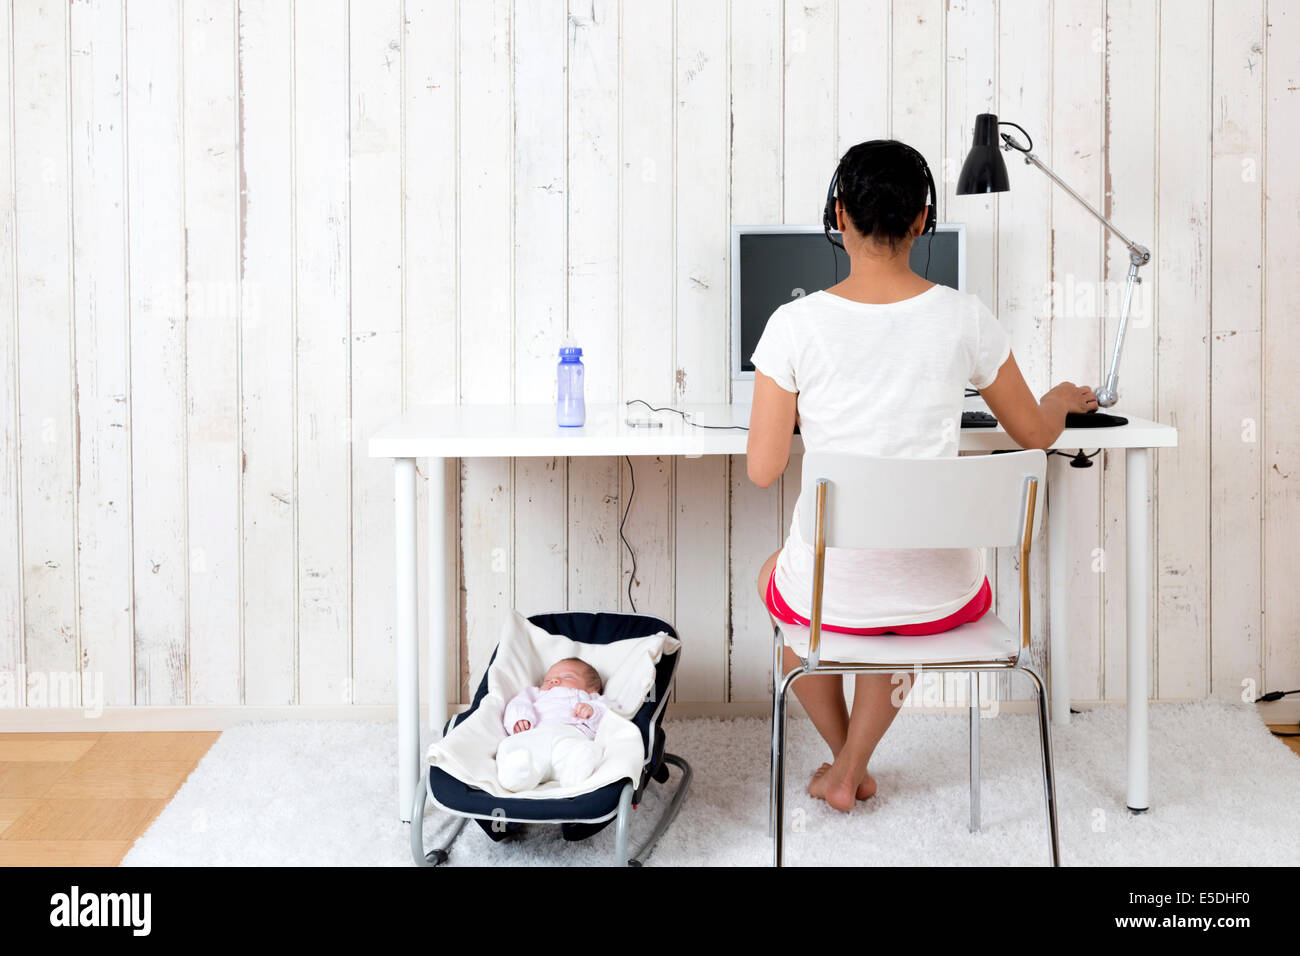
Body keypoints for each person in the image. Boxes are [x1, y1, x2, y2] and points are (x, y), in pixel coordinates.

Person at [747, 139, 1097, 813]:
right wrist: (1056, 398)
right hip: (945, 601)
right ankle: (853, 768)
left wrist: (804, 410)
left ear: (838, 213)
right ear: (923, 220)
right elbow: (1034, 435)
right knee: (899, 607)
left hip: (833, 602)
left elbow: (763, 469)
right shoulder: (965, 318)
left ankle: (845, 763)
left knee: (780, 587)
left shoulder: (794, 326)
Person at [495, 657, 609, 792]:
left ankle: (574, 774)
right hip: (535, 735)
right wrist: (520, 718)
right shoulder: (535, 693)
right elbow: (517, 704)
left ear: (592, 689)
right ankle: (517, 775)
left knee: (585, 750)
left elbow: (610, 715)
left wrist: (593, 712)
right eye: (547, 680)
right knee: (508, 745)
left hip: (569, 735)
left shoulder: (592, 699)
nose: (554, 681)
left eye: (567, 677)